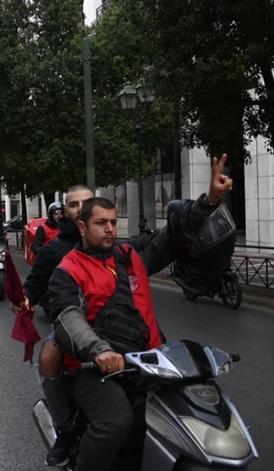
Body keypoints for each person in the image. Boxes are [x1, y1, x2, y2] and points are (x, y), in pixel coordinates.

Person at [47, 154, 235, 471]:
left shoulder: (130, 255)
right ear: (81, 226)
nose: (110, 229)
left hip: (151, 363)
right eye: (101, 223)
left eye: (113, 222)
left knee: (194, 412)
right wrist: (99, 351)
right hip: (96, 369)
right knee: (116, 422)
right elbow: (68, 318)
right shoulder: (68, 270)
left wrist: (211, 200)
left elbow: (173, 237)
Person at [12, 184, 94, 466]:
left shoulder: (116, 248)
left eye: (87, 203)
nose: (80, 209)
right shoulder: (54, 251)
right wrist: (22, 300)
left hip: (116, 328)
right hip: (72, 329)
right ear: (65, 212)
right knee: (48, 355)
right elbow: (32, 288)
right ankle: (65, 428)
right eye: (73, 205)